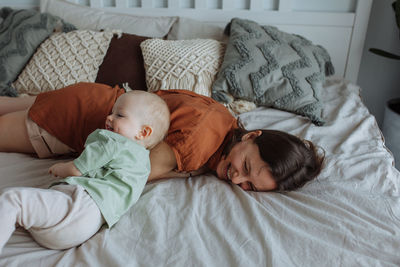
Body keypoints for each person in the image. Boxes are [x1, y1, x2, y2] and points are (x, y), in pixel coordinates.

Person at [0, 82, 324, 193]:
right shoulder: (197, 145)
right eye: (248, 167)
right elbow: (129, 173)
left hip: (89, 96)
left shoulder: (225, 121)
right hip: (71, 122)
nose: (238, 180)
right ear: (251, 136)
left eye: (251, 187)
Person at [0, 90, 170, 252]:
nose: (109, 117)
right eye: (112, 112)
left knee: (12, 200)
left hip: (78, 205)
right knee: (22, 211)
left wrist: (60, 168)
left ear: (143, 132)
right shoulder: (144, 165)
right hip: (86, 228)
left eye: (119, 115)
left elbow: (75, 170)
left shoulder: (113, 142)